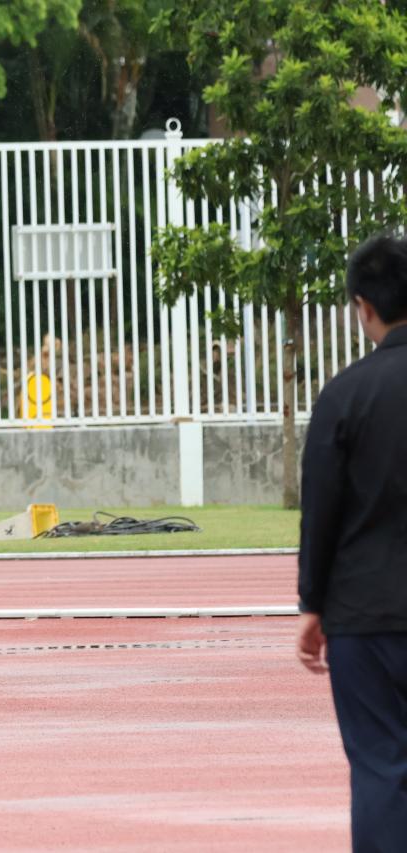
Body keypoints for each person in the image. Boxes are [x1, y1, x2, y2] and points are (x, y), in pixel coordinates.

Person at [297, 233, 407, 850]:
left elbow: (321, 510)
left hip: (365, 616)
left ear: (363, 307)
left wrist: (312, 604)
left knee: (379, 768)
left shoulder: (343, 395)